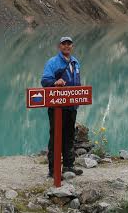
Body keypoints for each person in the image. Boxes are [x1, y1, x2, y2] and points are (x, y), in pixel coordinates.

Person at [41, 35, 84, 178]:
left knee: (69, 136)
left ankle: (68, 166)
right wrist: (55, 82)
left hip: (71, 106)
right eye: (64, 44)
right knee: (55, 137)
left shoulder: (75, 62)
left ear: (72, 46)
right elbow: (45, 80)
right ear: (59, 46)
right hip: (57, 107)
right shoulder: (53, 62)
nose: (66, 46)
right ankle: (53, 170)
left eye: (69, 44)